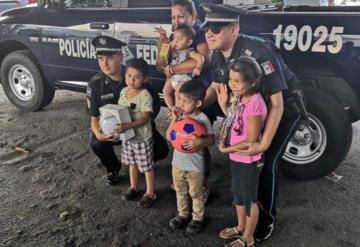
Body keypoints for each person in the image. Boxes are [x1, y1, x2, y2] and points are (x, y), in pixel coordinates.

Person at [200, 3, 308, 242]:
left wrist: (263, 143)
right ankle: (244, 223)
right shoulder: (217, 54)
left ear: (234, 29)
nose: (209, 33)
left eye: (216, 28)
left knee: (266, 162)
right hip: (250, 112)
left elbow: (277, 103)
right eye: (208, 27)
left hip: (282, 108)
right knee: (245, 171)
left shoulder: (258, 52)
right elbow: (217, 87)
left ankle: (265, 221)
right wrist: (193, 104)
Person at [154, 0, 212, 202]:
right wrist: (162, 44)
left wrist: (172, 70)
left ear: (193, 16)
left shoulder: (199, 34)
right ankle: (184, 176)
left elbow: (203, 61)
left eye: (180, 16)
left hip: (198, 90)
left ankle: (201, 183)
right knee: (181, 130)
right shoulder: (173, 37)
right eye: (172, 17)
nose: (176, 21)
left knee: (197, 131)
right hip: (179, 91)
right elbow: (160, 64)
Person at [86, 35, 161, 186]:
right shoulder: (95, 84)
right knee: (97, 143)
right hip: (111, 130)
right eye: (101, 58)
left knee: (161, 150)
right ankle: (113, 168)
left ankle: (142, 160)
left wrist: (138, 127)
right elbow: (94, 117)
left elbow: (154, 108)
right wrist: (99, 133)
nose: (105, 63)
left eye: (110, 58)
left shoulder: (136, 77)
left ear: (120, 57)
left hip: (137, 127)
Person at [216, 58, 268, 247]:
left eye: (238, 81)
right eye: (230, 79)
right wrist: (224, 103)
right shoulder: (240, 97)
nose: (232, 85)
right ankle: (240, 227)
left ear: (253, 81)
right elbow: (234, 119)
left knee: (249, 200)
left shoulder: (255, 103)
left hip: (248, 159)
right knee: (237, 194)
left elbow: (250, 142)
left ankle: (248, 238)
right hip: (236, 157)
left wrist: (225, 149)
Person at [166, 80, 215, 234]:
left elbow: (212, 139)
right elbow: (169, 136)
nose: (181, 104)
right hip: (178, 164)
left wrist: (200, 141)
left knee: (196, 193)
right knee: (180, 191)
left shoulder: (202, 119)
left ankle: (198, 218)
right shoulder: (179, 117)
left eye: (185, 101)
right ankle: (183, 214)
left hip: (195, 167)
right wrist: (174, 118)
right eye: (179, 99)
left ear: (198, 102)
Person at [116, 58, 157, 208]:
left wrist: (128, 125)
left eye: (137, 77)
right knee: (131, 163)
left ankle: (150, 193)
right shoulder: (123, 92)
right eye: (129, 76)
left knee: (146, 166)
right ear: (124, 75)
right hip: (128, 137)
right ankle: (134, 187)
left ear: (145, 79)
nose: (132, 80)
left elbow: (146, 118)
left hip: (142, 138)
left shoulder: (145, 95)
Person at [161, 24, 205, 109]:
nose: (175, 41)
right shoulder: (172, 49)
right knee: (165, 91)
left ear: (189, 42)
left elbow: (201, 58)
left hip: (185, 78)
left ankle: (179, 109)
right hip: (173, 77)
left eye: (179, 39)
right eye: (174, 38)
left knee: (178, 90)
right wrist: (165, 43)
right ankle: (171, 108)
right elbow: (162, 56)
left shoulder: (189, 51)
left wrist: (198, 67)